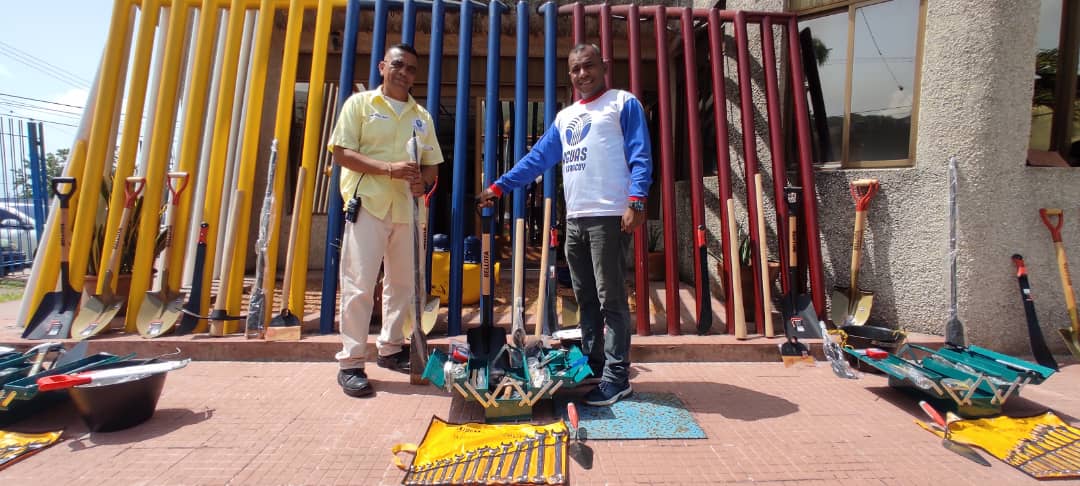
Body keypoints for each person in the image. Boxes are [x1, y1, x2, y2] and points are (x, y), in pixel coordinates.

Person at [477, 43, 653, 407]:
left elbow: (640, 153)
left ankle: (618, 377)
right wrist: (499, 187)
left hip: (609, 216)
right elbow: (537, 159)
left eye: (588, 66)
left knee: (611, 299)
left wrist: (636, 200)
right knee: (584, 297)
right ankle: (594, 362)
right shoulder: (565, 117)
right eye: (575, 69)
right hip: (575, 219)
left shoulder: (622, 103)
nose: (582, 74)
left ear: (604, 66)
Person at [327, 43, 442, 398]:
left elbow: (431, 165)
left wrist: (424, 181)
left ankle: (391, 348)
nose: (404, 73)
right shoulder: (360, 105)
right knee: (359, 284)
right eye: (398, 65)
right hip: (369, 206)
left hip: (408, 210)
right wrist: (389, 169)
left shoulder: (422, 116)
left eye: (411, 69)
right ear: (382, 66)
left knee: (403, 284)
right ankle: (351, 362)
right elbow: (342, 152)